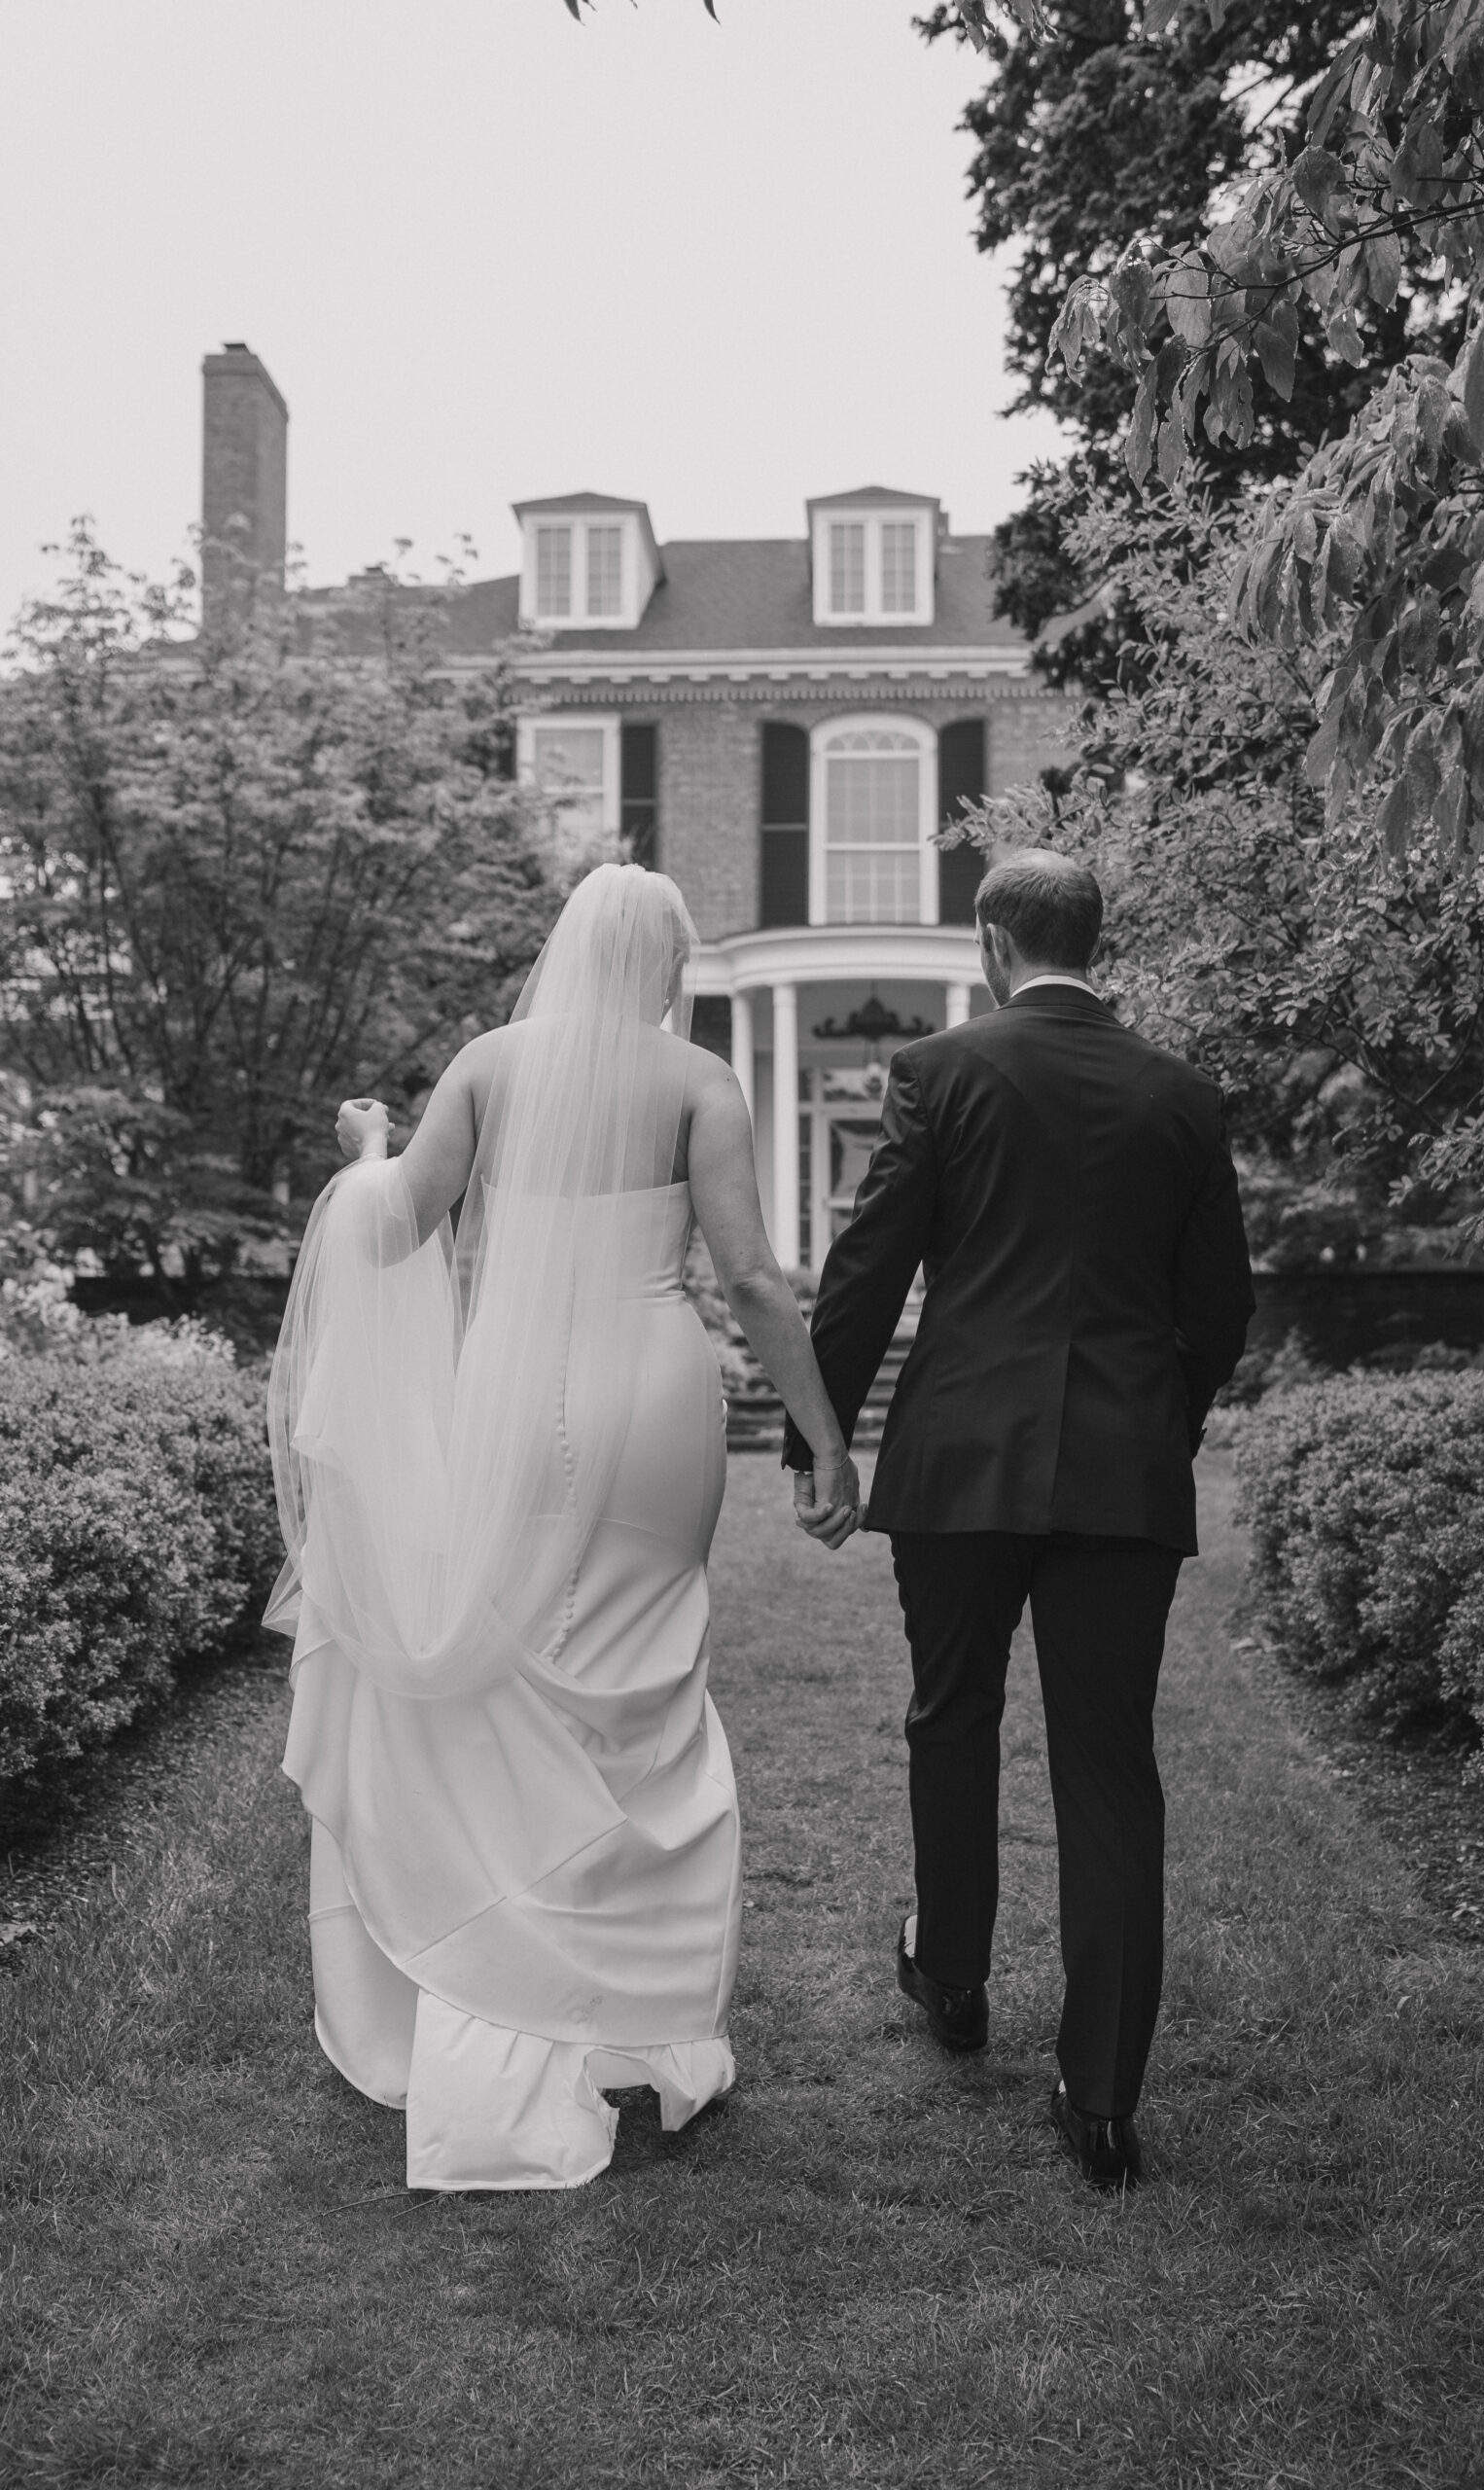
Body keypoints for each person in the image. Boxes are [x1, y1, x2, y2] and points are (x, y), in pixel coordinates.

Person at [267, 863, 859, 2191]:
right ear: (664, 964)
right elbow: (754, 1278)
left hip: (514, 1398)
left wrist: (366, 1152)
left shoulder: (486, 1064)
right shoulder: (700, 1081)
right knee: (646, 1670)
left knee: (521, 1654)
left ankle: (515, 1964)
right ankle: (627, 2016)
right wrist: (827, 1434)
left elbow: (394, 1230)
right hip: (651, 1392)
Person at [785, 849, 1254, 2191]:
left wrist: (817, 1443)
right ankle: (1102, 2100)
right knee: (1111, 1769)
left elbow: (870, 1266)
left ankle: (952, 1980)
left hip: (959, 1463)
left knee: (952, 1715)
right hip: (1122, 1472)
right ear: (1092, 942)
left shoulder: (942, 1072)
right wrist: (1167, 1422)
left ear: (995, 943)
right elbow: (1221, 1310)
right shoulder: (1181, 1095)